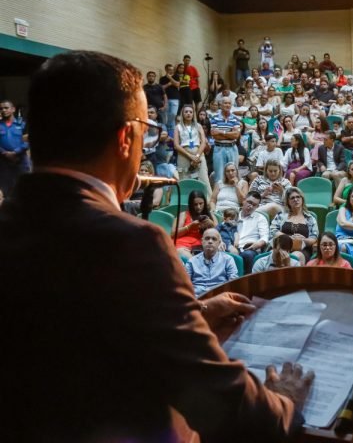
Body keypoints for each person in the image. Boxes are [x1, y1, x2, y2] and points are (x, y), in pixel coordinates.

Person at [0, 51, 311, 441]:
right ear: (126, 137)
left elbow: (67, 331)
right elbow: (222, 408)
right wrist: (284, 403)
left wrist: (191, 314)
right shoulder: (131, 243)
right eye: (147, 127)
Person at [269, 187, 318, 264]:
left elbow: (314, 238)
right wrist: (288, 238)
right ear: (288, 201)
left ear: (302, 199)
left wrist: (303, 240)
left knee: (295, 257)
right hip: (281, 246)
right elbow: (273, 231)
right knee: (277, 254)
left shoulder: (310, 218)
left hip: (301, 250)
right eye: (292, 198)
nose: (296, 199)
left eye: (298, 197)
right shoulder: (281, 215)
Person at [185, 228, 239, 297]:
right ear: (202, 241)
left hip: (219, 298)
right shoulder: (192, 261)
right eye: (207, 238)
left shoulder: (228, 260)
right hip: (197, 298)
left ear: (219, 243)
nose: (210, 241)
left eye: (214, 239)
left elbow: (233, 283)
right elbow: (185, 285)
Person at [174, 104, 210, 192]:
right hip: (183, 154)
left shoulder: (198, 126)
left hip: (198, 153)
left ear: (193, 114)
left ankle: (208, 202)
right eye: (186, 112)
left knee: (204, 178)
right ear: (182, 114)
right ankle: (185, 202)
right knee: (185, 179)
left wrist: (197, 156)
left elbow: (203, 142)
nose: (188, 114)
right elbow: (176, 145)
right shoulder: (178, 127)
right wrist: (190, 156)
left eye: (191, 112)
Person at [173, 190, 217, 259]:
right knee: (191, 260)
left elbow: (218, 233)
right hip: (183, 245)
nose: (198, 207)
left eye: (201, 203)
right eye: (195, 204)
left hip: (202, 246)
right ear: (191, 204)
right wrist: (189, 227)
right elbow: (173, 234)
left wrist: (212, 225)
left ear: (204, 203)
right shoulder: (184, 214)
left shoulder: (210, 215)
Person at [0, 99, 30, 197]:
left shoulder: (22, 125)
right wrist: (5, 153)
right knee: (7, 191)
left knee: (24, 189)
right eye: (1, 109)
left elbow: (27, 141)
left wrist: (16, 152)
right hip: (4, 164)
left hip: (20, 162)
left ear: (13, 109)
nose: (4, 110)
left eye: (6, 108)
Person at [209, 97, 241, 183]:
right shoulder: (214, 118)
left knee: (234, 175)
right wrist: (229, 133)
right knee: (219, 175)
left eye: (229, 103)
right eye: (225, 103)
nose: (227, 105)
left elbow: (236, 135)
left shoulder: (235, 118)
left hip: (232, 148)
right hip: (219, 148)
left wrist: (222, 132)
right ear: (220, 105)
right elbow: (215, 135)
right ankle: (219, 195)